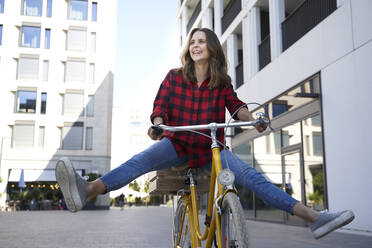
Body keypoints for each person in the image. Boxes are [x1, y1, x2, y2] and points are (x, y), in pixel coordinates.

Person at [56, 28, 354, 240]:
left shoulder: (221, 81)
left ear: (211, 47)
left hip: (212, 147)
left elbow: (237, 108)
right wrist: (158, 123)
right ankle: (89, 190)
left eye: (201, 41)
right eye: (192, 41)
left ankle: (315, 218)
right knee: (141, 160)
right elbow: (160, 108)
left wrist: (253, 121)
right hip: (178, 145)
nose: (195, 45)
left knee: (251, 177)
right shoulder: (174, 77)